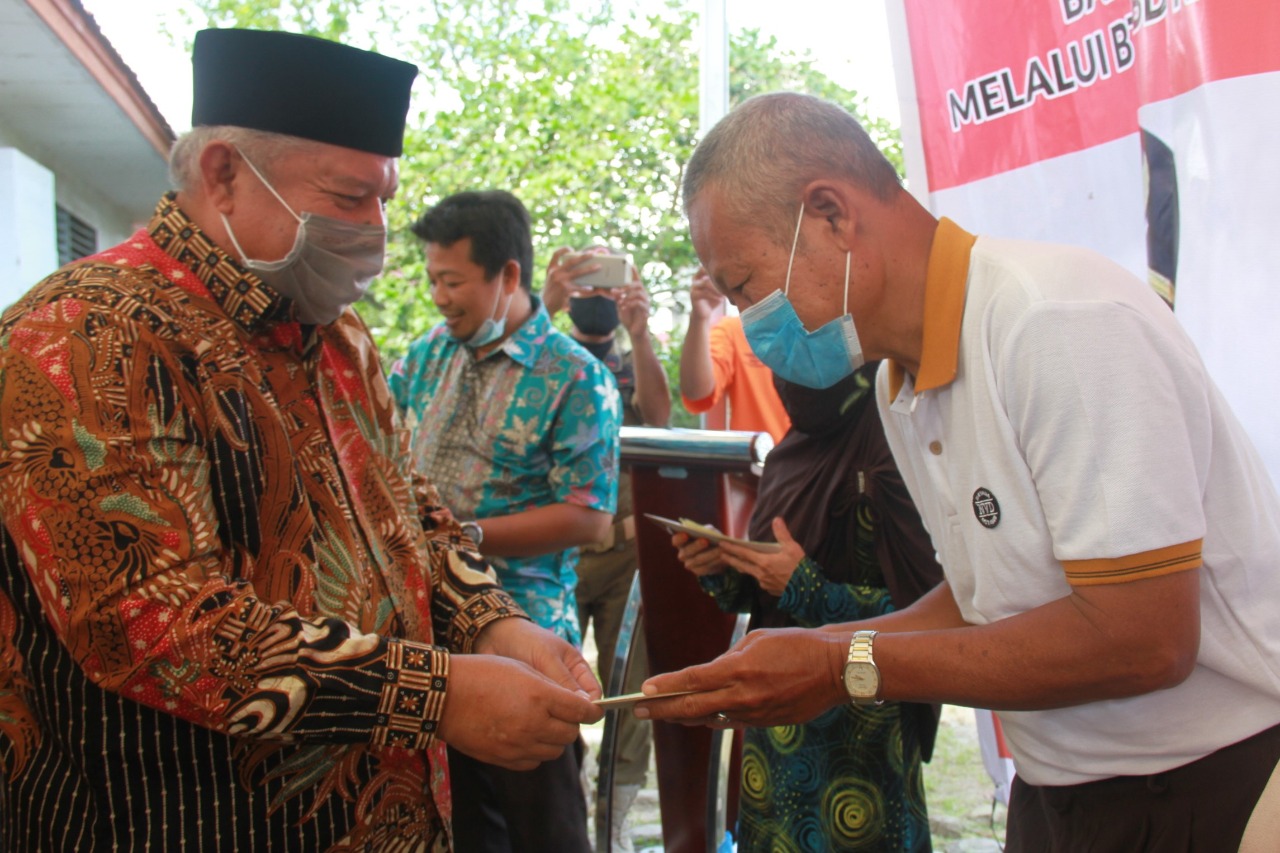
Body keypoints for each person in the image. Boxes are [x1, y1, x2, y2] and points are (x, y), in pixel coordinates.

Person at [0, 29, 603, 852]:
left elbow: (412, 516)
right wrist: (438, 694)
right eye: (349, 197)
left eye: (384, 197)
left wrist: (492, 621)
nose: (376, 229)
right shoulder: (87, 335)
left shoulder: (336, 334)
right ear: (223, 174)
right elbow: (154, 625)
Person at [638, 91, 1280, 850]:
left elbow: (1144, 638)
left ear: (831, 214)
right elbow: (983, 593)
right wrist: (808, 652)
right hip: (1056, 791)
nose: (751, 320)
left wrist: (845, 662)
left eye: (745, 285)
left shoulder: (1054, 322)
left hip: (1204, 785)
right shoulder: (897, 382)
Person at [389, 192, 622, 852]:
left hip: (525, 641)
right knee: (457, 824)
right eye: (433, 278)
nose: (439, 296)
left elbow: (589, 516)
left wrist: (462, 534)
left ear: (509, 277)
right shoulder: (429, 354)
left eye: (453, 280)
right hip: (428, 640)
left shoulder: (576, 377)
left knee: (541, 830)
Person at [674, 363, 942, 851]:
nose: (789, 380)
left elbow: (933, 615)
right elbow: (765, 596)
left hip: (861, 726)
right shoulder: (787, 457)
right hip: (773, 726)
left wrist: (809, 588)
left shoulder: (893, 454)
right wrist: (721, 567)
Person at [543, 247, 669, 852]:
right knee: (553, 682)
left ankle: (613, 818)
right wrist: (539, 311)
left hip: (624, 556)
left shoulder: (628, 366)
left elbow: (662, 416)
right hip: (558, 557)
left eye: (606, 284)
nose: (595, 296)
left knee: (630, 690)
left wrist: (640, 336)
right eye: (581, 284)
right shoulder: (546, 359)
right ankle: (563, 808)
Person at [679, 267, 791, 443]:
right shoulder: (734, 330)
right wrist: (699, 318)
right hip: (757, 464)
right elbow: (697, 392)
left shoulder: (825, 326)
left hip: (816, 464)